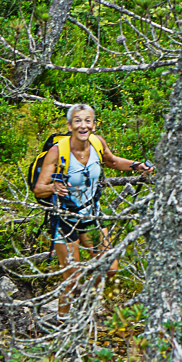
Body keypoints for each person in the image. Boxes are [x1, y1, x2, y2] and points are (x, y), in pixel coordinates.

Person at [33, 103, 153, 309]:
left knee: (110, 267)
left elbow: (112, 161)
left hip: (91, 215)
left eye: (87, 121)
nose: (83, 125)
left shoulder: (97, 143)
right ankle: (62, 321)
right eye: (78, 121)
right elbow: (38, 189)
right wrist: (54, 187)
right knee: (71, 276)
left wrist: (136, 165)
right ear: (69, 126)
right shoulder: (57, 151)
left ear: (94, 125)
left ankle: (84, 297)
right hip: (64, 219)